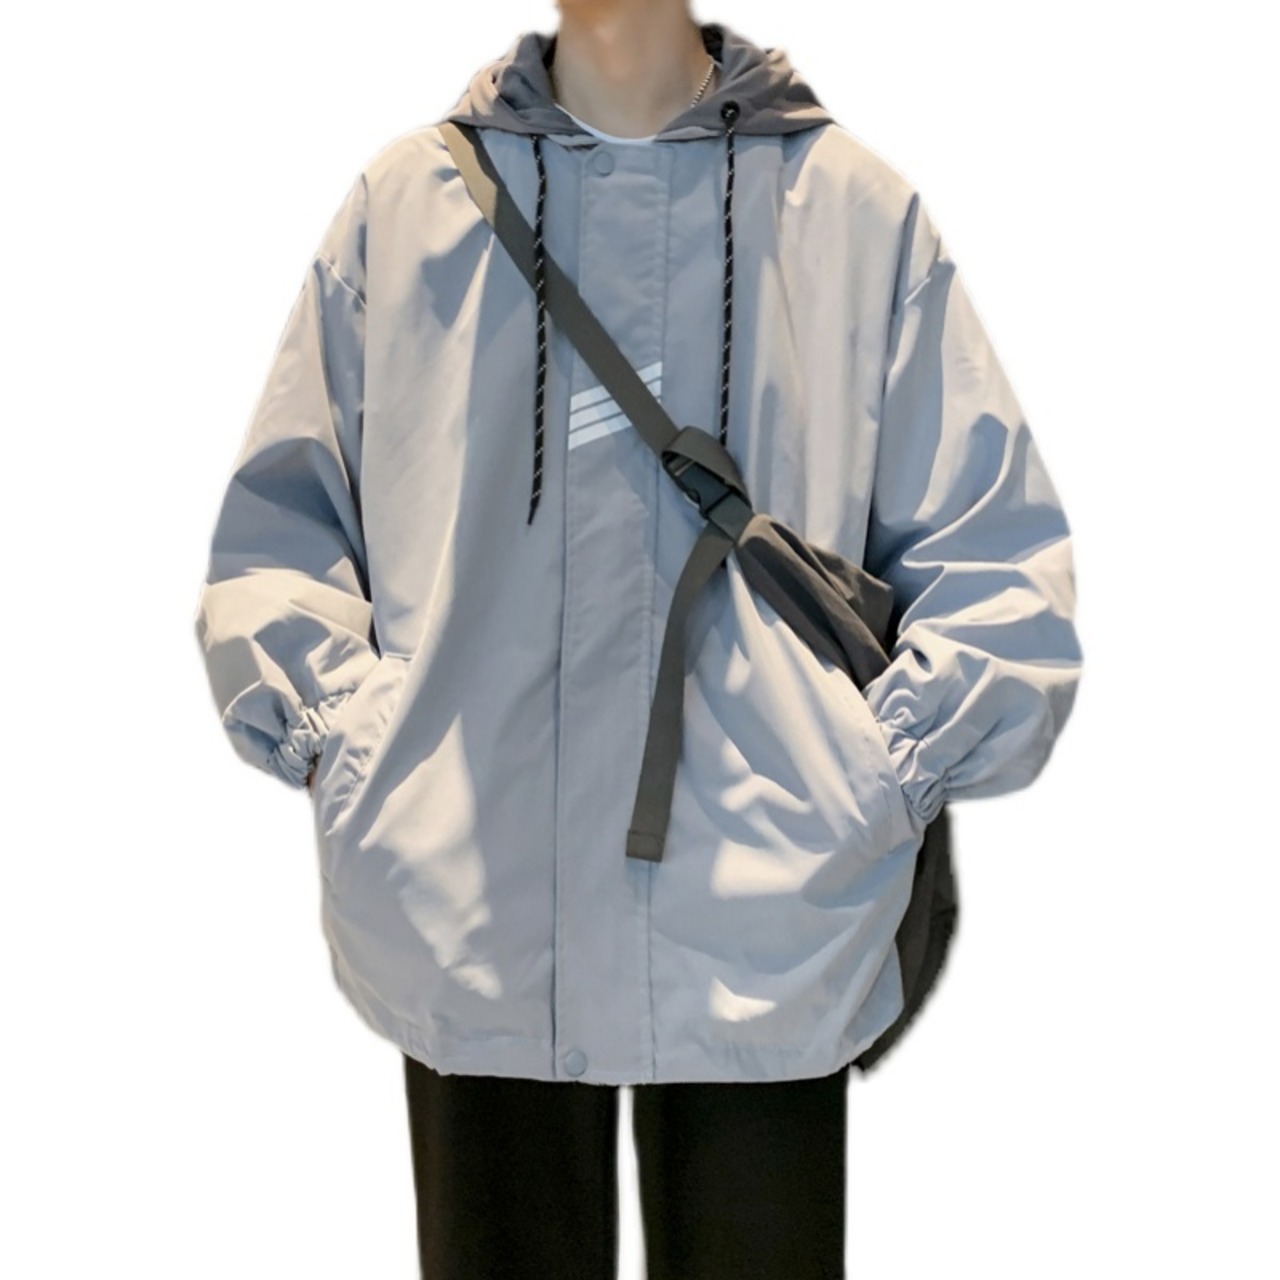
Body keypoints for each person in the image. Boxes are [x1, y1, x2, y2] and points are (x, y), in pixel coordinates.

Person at [192, 3, 1083, 1276]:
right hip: (472, 895)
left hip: (766, 895)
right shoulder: (408, 208)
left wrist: (879, 764)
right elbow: (283, 532)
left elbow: (990, 552)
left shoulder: (847, 210)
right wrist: (355, 748)